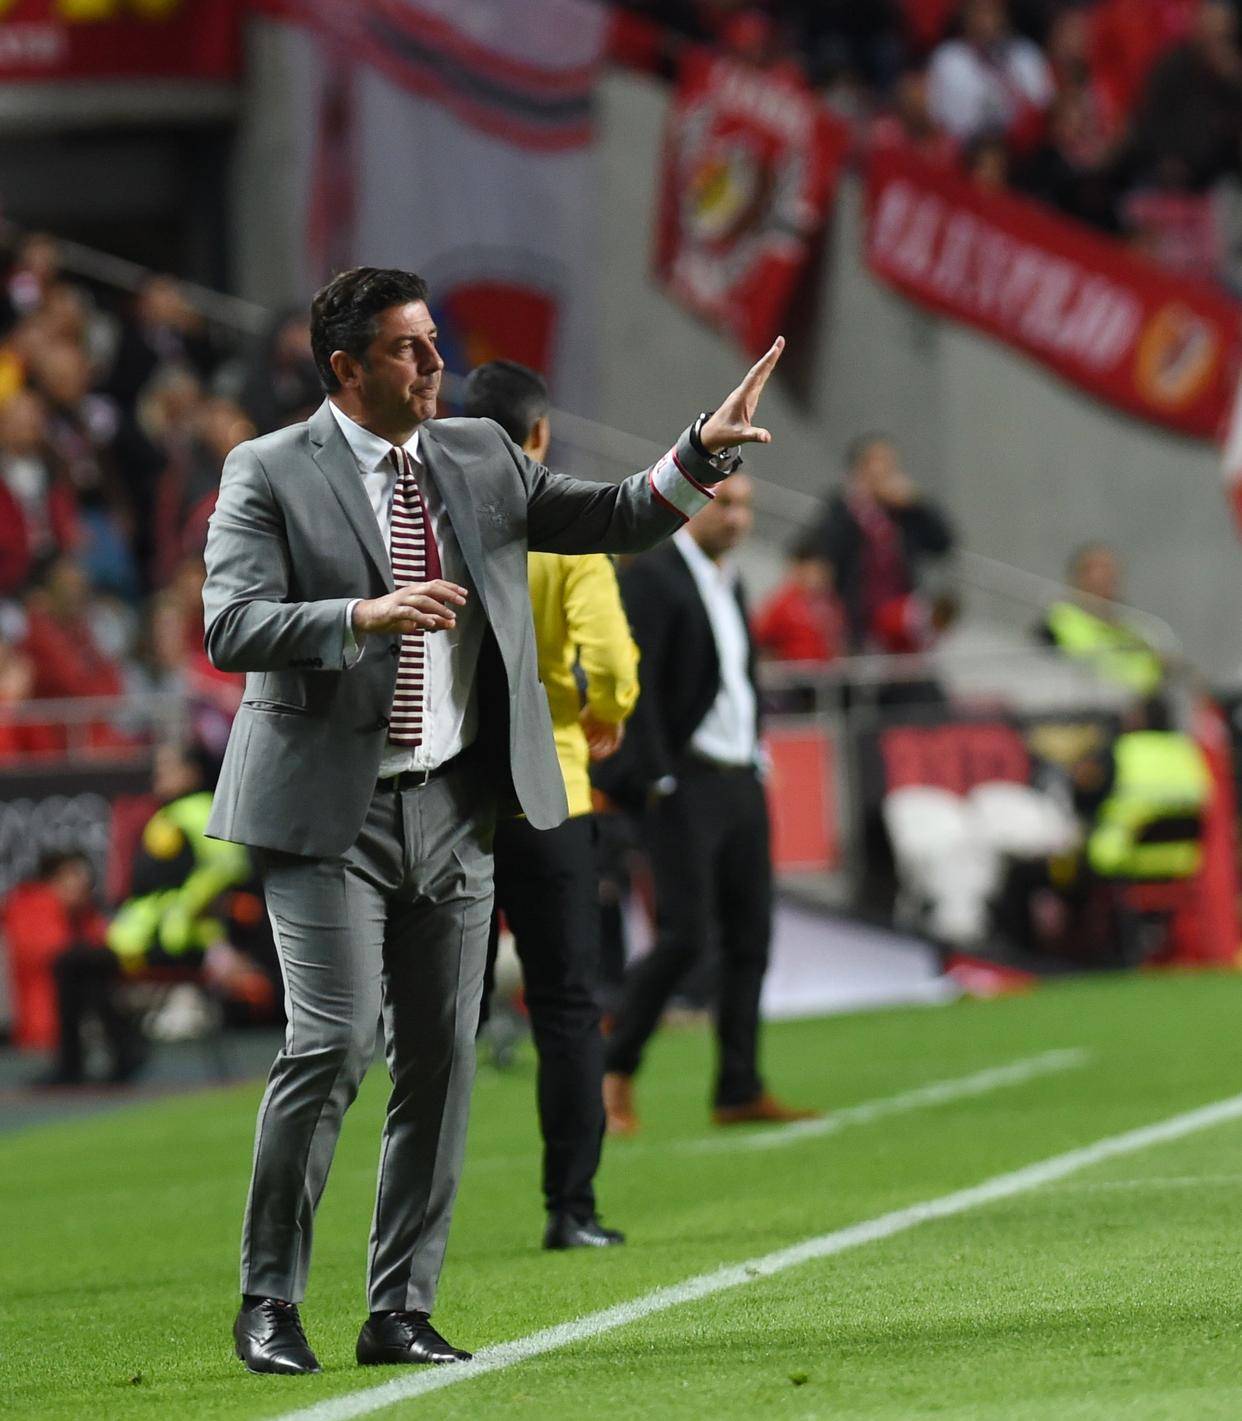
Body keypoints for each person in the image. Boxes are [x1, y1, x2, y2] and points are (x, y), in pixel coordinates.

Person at [203, 266, 784, 1374]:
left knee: (441, 1058)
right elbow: (231, 623)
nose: (437, 364)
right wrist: (361, 614)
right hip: (326, 811)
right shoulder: (267, 468)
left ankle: (399, 1307)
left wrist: (699, 453)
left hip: (459, 801)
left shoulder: (478, 453)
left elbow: (614, 517)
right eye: (409, 348)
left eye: (435, 342)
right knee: (333, 1042)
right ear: (346, 368)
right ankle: (269, 1297)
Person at [462, 358, 639, 1252]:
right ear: (540, 435)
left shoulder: (435, 518)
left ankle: (413, 1229)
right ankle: (571, 1207)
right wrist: (607, 710)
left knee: (440, 1014)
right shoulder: (565, 525)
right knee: (566, 1003)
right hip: (551, 789)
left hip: (454, 792)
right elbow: (608, 660)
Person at [595, 475, 817, 1136]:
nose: (737, 517)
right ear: (692, 503)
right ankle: (612, 1071)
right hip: (684, 782)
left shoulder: (731, 580)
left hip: (739, 777)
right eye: (725, 503)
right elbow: (634, 682)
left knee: (751, 936)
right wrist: (654, 777)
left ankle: (738, 1086)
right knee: (685, 936)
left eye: (746, 505)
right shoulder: (652, 576)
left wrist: (756, 753)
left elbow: (739, 676)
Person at [808, 433, 955, 654]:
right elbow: (824, 550)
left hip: (900, 621)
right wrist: (856, 504)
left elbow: (943, 544)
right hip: (856, 621)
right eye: (878, 462)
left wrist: (918, 504)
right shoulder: (841, 508)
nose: (885, 472)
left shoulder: (904, 512)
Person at [1037, 543, 1165, 702]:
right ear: (1075, 578)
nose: (1102, 577)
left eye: (1109, 571)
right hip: (1085, 709)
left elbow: (1152, 678)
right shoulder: (1054, 625)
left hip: (1139, 708)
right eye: (1093, 569)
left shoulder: (1137, 631)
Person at [926, 0, 1054, 149]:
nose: (987, 19)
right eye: (980, 11)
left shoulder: (1025, 54)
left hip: (1023, 149)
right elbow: (940, 119)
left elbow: (1045, 106)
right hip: (967, 150)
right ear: (965, 15)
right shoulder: (948, 59)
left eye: (993, 11)